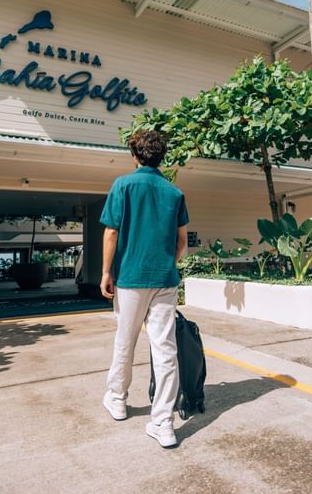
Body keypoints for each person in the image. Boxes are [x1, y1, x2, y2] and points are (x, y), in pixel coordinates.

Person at [99, 130, 188, 448]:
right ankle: (163, 423)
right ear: (162, 157)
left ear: (134, 155)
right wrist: (166, 262)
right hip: (164, 279)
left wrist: (106, 271)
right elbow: (181, 242)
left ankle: (118, 400)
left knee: (125, 342)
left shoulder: (123, 185)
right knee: (166, 350)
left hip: (131, 278)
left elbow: (111, 232)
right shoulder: (174, 192)